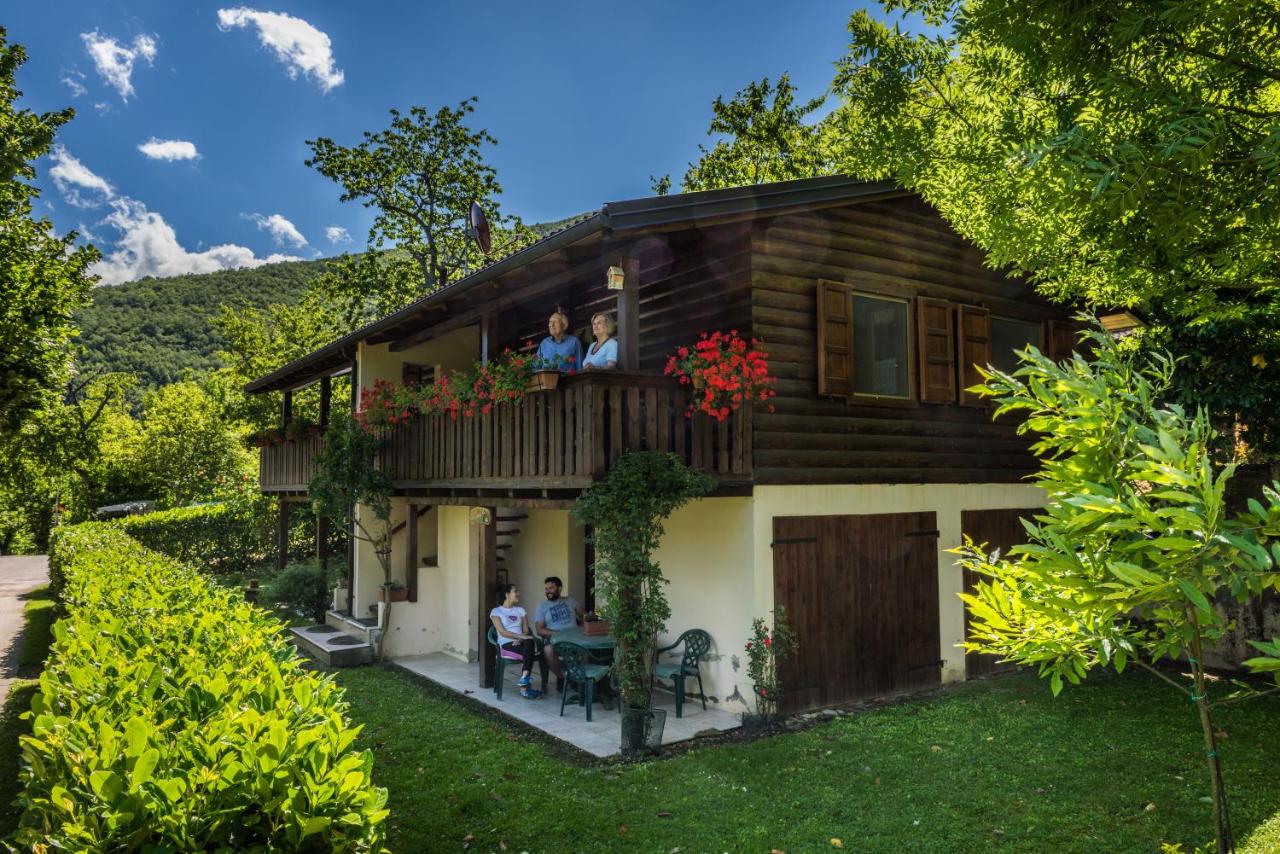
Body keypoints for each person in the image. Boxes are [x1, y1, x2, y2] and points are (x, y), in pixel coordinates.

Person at [489, 583, 543, 699]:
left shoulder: (520, 610)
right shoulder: (496, 611)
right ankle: (524, 688)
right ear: (507, 594)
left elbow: (525, 630)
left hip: (521, 642)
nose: (518, 593)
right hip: (506, 644)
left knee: (529, 641)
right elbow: (502, 632)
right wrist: (519, 637)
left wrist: (521, 638)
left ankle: (524, 678)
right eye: (515, 591)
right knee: (530, 647)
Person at [534, 576, 585, 692]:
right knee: (547, 650)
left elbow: (585, 615)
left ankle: (580, 677)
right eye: (546, 589)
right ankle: (562, 676)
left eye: (551, 588)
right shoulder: (542, 607)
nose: (548, 591)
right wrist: (559, 634)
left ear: (560, 588)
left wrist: (582, 627)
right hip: (556, 640)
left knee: (587, 648)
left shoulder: (570, 600)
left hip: (575, 638)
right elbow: (539, 630)